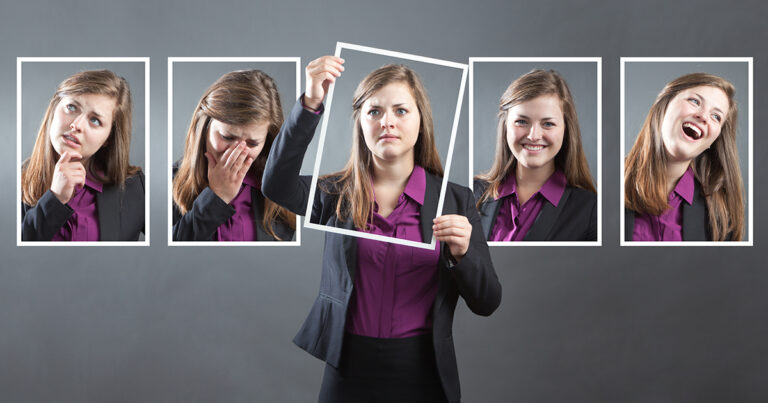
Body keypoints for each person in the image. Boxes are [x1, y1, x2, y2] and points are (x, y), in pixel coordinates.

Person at [262, 56, 501, 403]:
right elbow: (275, 184)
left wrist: (465, 255)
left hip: (423, 372)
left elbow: (488, 301)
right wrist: (310, 103)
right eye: (374, 112)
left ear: (421, 121)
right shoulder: (335, 194)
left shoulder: (455, 200)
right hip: (348, 370)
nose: (387, 121)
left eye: (401, 111)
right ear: (361, 122)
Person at [172, 70, 295, 241]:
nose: (238, 152)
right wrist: (216, 198)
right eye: (227, 137)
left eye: (252, 144)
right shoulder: (166, 184)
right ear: (204, 126)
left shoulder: (280, 194)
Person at [21, 70, 144, 241]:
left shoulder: (137, 187)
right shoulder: (14, 182)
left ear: (108, 138)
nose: (76, 125)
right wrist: (54, 200)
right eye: (71, 107)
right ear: (54, 107)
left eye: (95, 120)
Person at [474, 69, 597, 241]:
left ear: (566, 129)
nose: (533, 136)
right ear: (505, 126)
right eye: (522, 122)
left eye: (548, 123)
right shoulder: (472, 195)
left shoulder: (591, 211)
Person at [624, 73, 744, 241]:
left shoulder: (721, 216)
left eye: (716, 116)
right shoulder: (605, 188)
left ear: (713, 141)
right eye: (695, 101)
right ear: (664, 105)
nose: (703, 116)